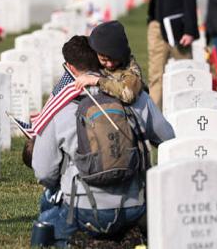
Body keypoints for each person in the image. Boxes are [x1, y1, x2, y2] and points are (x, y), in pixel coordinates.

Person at [31, 35, 175, 247]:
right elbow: (168, 139)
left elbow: (43, 171)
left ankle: (76, 243)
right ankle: (128, 237)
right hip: (136, 204)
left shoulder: (62, 106)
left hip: (83, 209)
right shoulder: (135, 97)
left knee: (45, 225)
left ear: (70, 67)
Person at [147, 0, 199, 109]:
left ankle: (188, 112)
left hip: (178, 30)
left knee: (185, 74)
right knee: (155, 76)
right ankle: (155, 119)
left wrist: (189, 30)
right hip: (156, 26)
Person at [74, 20, 145, 105]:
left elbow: (128, 94)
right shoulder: (93, 54)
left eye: (114, 59)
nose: (110, 64)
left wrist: (97, 81)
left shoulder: (129, 67)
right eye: (104, 60)